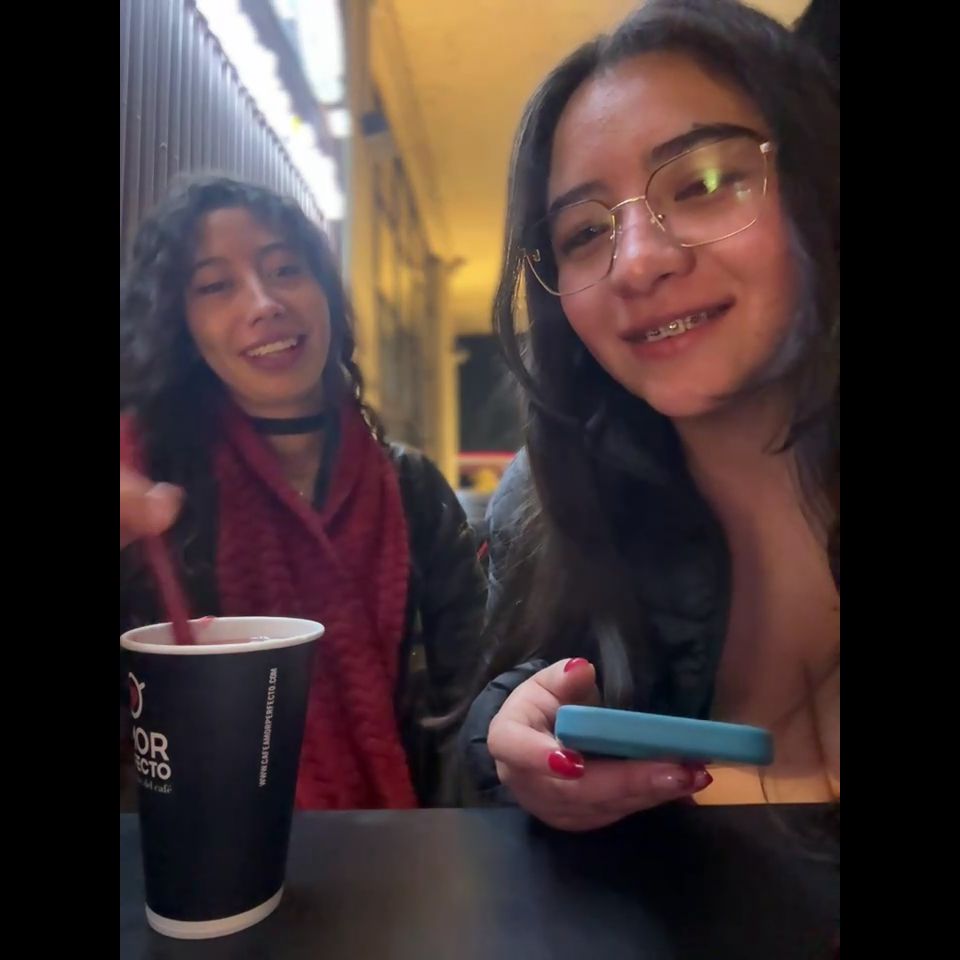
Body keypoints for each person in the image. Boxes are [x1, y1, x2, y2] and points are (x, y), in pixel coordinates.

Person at [459, 0, 839, 831]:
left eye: (704, 184)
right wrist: (507, 742)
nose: (636, 264)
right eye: (583, 234)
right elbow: (532, 684)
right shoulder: (551, 510)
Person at [120, 176, 486, 810]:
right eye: (215, 286)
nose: (264, 303)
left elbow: (474, 699)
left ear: (326, 295)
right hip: (197, 854)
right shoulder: (148, 504)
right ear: (182, 326)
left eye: (285, 269)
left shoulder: (414, 489)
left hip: (413, 850)